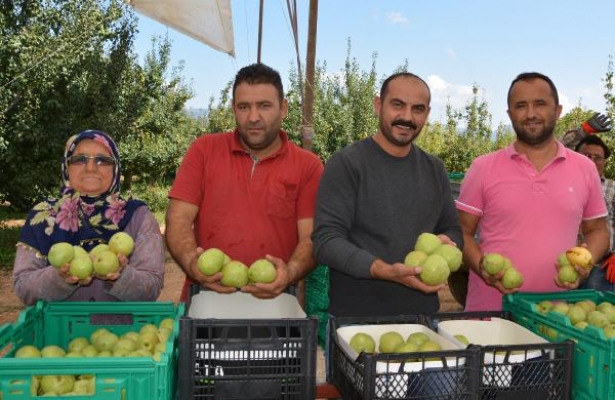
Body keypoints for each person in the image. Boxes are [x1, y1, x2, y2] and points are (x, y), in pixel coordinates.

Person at [165, 63, 324, 302]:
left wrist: (289, 273)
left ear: (283, 108)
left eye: (264, 106)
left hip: (279, 304)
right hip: (205, 301)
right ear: (233, 109)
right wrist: (191, 262)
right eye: (243, 107)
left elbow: (311, 238)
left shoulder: (308, 166)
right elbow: (177, 219)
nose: (253, 117)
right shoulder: (204, 151)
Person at [311, 72, 463, 318]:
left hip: (422, 317)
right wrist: (383, 270)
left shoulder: (434, 169)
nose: (407, 117)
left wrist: (446, 241)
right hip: (356, 320)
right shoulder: (347, 164)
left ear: (426, 114)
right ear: (378, 105)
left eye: (418, 109)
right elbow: (326, 241)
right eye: (398, 105)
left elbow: (454, 229)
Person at [456, 72, 610, 311]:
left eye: (540, 104)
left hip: (556, 317)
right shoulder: (483, 167)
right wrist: (481, 266)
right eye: (520, 106)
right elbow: (462, 232)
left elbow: (598, 230)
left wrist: (586, 261)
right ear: (509, 114)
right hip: (490, 314)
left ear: (557, 110)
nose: (530, 114)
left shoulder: (585, 168)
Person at [13, 130, 165, 306]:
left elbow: (152, 287)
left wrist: (122, 275)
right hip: (59, 331)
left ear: (115, 167)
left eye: (102, 160)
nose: (91, 167)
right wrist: (60, 277)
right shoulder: (43, 215)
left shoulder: (138, 216)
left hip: (122, 331)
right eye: (80, 159)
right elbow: (23, 286)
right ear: (66, 166)